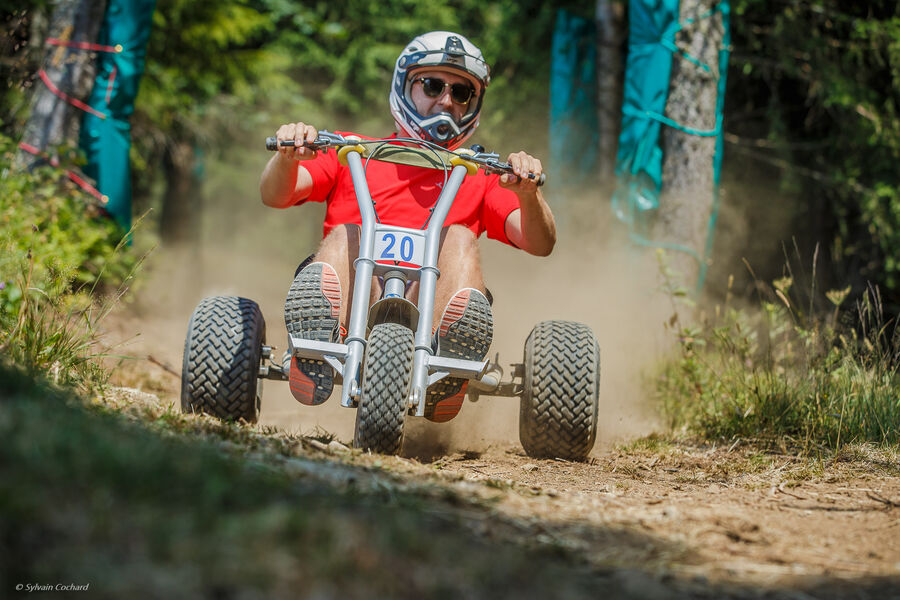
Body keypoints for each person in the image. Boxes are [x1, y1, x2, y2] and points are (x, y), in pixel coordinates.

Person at [259, 31, 556, 422]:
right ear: (405, 86)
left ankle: (450, 361)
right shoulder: (352, 150)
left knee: (460, 237)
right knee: (349, 231)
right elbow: (275, 195)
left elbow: (540, 242)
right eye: (432, 85)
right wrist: (288, 156)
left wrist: (528, 192)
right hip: (353, 299)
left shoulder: (481, 173)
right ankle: (318, 342)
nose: (446, 100)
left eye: (461, 92)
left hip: (432, 310)